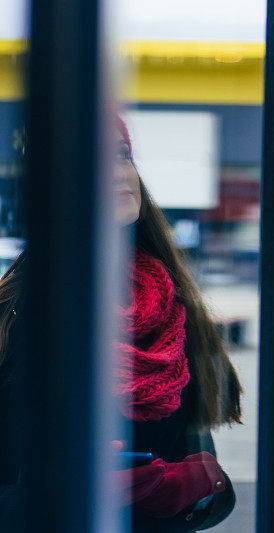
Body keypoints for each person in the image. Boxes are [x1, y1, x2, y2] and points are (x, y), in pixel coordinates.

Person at [0, 116, 243, 532]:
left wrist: (188, 488)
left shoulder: (173, 305)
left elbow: (202, 466)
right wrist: (62, 490)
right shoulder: (24, 309)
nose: (115, 172)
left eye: (120, 154)